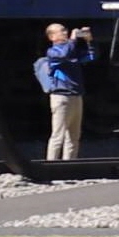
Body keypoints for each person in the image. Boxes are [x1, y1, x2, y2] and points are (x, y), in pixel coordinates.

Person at [35, 22, 92, 162]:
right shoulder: (53, 53)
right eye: (61, 31)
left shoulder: (72, 50)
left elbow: (90, 57)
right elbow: (64, 54)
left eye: (65, 30)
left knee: (73, 136)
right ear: (52, 36)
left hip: (76, 96)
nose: (65, 32)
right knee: (58, 135)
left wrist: (89, 41)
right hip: (61, 97)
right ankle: (52, 165)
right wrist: (73, 39)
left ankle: (69, 165)